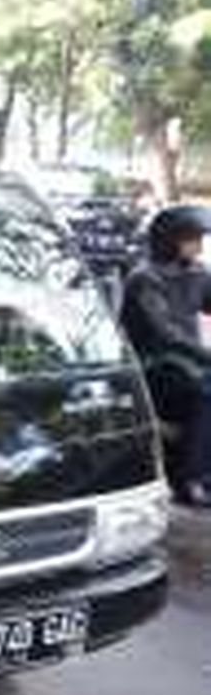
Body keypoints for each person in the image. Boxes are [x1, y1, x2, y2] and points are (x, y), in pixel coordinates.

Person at [120, 205, 211, 508]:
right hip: (153, 364)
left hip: (190, 362)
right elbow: (165, 334)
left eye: (200, 238)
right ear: (169, 239)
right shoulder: (144, 279)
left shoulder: (197, 272)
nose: (198, 246)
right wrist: (206, 355)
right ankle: (190, 479)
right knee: (205, 392)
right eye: (191, 239)